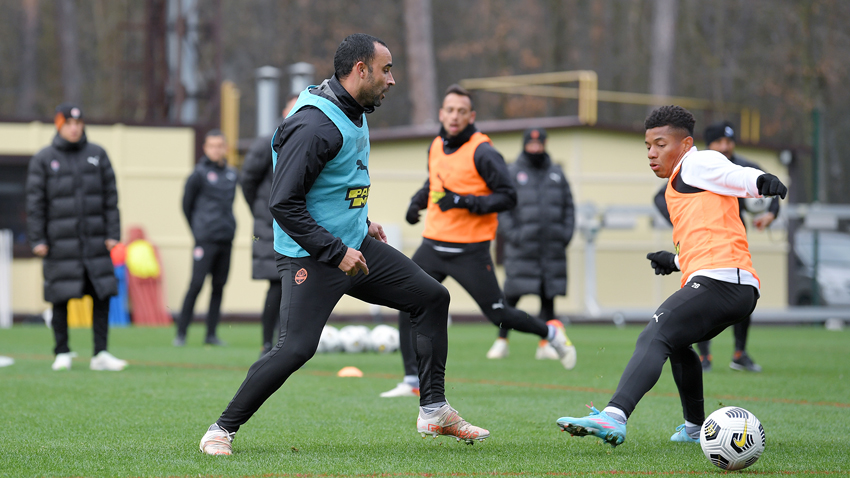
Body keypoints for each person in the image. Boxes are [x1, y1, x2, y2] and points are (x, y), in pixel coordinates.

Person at [198, 34, 488, 455]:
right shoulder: (314, 126)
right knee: (296, 349)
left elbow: (335, 183)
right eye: (386, 70)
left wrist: (362, 222)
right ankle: (221, 429)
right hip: (312, 257)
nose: (392, 80)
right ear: (360, 70)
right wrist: (335, 252)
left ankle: (433, 409)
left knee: (431, 298)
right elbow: (283, 203)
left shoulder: (353, 108)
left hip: (354, 246)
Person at [555, 105, 786, 447]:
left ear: (685, 143)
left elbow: (734, 174)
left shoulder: (697, 162)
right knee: (677, 343)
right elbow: (710, 235)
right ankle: (695, 428)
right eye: (648, 146)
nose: (651, 153)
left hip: (722, 281)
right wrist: (676, 261)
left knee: (656, 333)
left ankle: (614, 415)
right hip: (732, 283)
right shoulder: (683, 180)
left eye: (660, 144)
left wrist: (759, 182)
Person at [380, 85, 577, 399]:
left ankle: (550, 332)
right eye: (450, 110)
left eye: (461, 111)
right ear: (441, 113)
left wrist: (465, 201)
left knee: (499, 314)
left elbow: (508, 197)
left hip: (469, 250)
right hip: (432, 246)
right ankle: (411, 380)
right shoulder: (436, 145)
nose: (454, 116)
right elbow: (436, 181)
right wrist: (416, 202)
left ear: (471, 116)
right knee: (406, 302)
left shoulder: (483, 151)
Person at [653, 120, 777, 373]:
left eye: (729, 141)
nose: (725, 146)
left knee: (741, 288)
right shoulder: (696, 166)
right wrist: (685, 221)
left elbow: (766, 185)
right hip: (703, 246)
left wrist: (771, 214)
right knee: (702, 299)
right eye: (719, 141)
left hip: (733, 242)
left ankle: (739, 353)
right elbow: (659, 197)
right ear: (708, 145)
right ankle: (704, 356)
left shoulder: (741, 166)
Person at [25, 103, 128, 372]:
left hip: (95, 241)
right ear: (59, 125)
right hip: (60, 243)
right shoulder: (44, 158)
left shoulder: (98, 155)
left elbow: (111, 199)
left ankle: (100, 353)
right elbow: (35, 204)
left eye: (78, 123)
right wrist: (38, 239)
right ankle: (62, 352)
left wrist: (113, 234)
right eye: (69, 124)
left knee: (102, 295)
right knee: (60, 297)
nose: (74, 128)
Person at [489, 127, 575, 361]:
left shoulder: (556, 173)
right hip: (521, 249)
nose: (535, 148)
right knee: (511, 297)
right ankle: (501, 341)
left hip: (551, 250)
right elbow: (503, 210)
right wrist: (516, 236)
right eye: (531, 144)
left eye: (539, 144)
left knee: (548, 297)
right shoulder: (512, 172)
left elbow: (569, 207)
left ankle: (545, 344)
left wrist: (564, 235)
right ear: (525, 145)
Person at [241, 95, 299, 356]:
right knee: (277, 284)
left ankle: (288, 344)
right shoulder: (267, 142)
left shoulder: (307, 139)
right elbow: (248, 181)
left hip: (297, 224)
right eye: (293, 106)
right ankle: (267, 343)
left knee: (296, 285)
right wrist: (263, 211)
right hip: (271, 225)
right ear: (284, 110)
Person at [174, 130, 237, 347]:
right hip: (205, 239)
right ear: (205, 148)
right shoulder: (198, 174)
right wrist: (198, 230)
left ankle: (211, 334)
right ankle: (181, 333)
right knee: (196, 284)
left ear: (225, 148)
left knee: (218, 286)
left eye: (220, 146)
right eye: (212, 146)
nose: (216, 150)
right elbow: (186, 205)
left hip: (226, 238)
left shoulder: (231, 174)